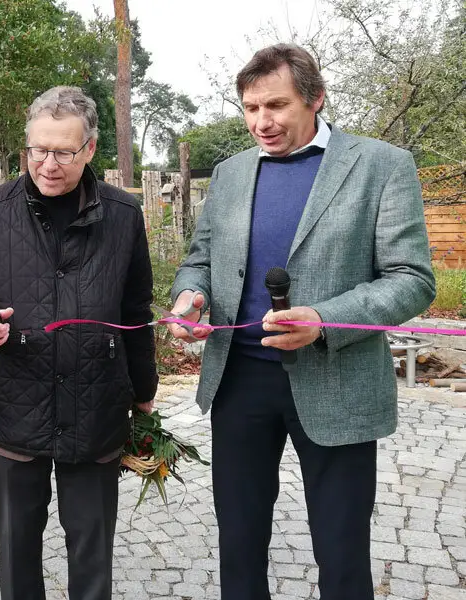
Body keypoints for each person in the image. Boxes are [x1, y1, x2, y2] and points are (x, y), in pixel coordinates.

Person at [168, 44, 435, 599]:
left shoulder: (381, 165)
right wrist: (190, 295)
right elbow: (200, 258)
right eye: (250, 107)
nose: (261, 122)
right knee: (239, 546)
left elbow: (411, 278)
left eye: (276, 105)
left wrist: (326, 320)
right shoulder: (229, 173)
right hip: (238, 383)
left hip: (336, 382)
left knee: (341, 555)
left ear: (315, 98)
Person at [0, 86, 158, 600]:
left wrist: (144, 394)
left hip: (97, 408)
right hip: (15, 406)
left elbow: (135, 313)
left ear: (90, 149)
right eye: (38, 149)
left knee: (91, 546)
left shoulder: (123, 215)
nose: (48, 163)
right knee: (17, 547)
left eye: (62, 151)